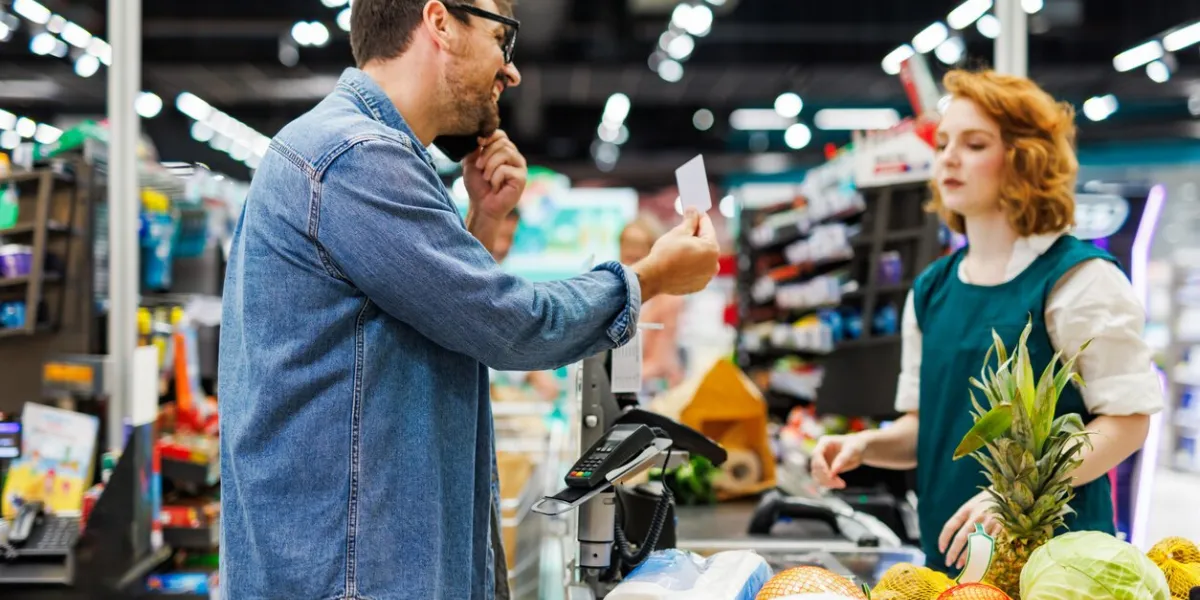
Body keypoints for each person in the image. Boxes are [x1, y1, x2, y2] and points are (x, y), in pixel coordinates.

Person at [216, 0, 721, 598]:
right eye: (501, 38)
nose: (512, 72)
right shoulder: (355, 156)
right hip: (353, 573)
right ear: (439, 23)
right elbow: (511, 323)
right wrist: (647, 278)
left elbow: (433, 320)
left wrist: (481, 222)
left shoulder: (360, 152)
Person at [808, 70, 1163, 572]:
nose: (948, 157)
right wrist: (864, 445)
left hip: (1058, 569)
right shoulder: (932, 289)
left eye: (974, 144)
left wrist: (1018, 491)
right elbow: (927, 429)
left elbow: (1128, 421)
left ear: (1026, 159)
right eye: (944, 143)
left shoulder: (1078, 280)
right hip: (949, 563)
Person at [620, 213, 687, 388]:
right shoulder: (618, 294)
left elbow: (660, 363)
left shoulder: (668, 300)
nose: (630, 254)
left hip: (655, 391)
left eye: (637, 248)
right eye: (626, 246)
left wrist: (615, 378)